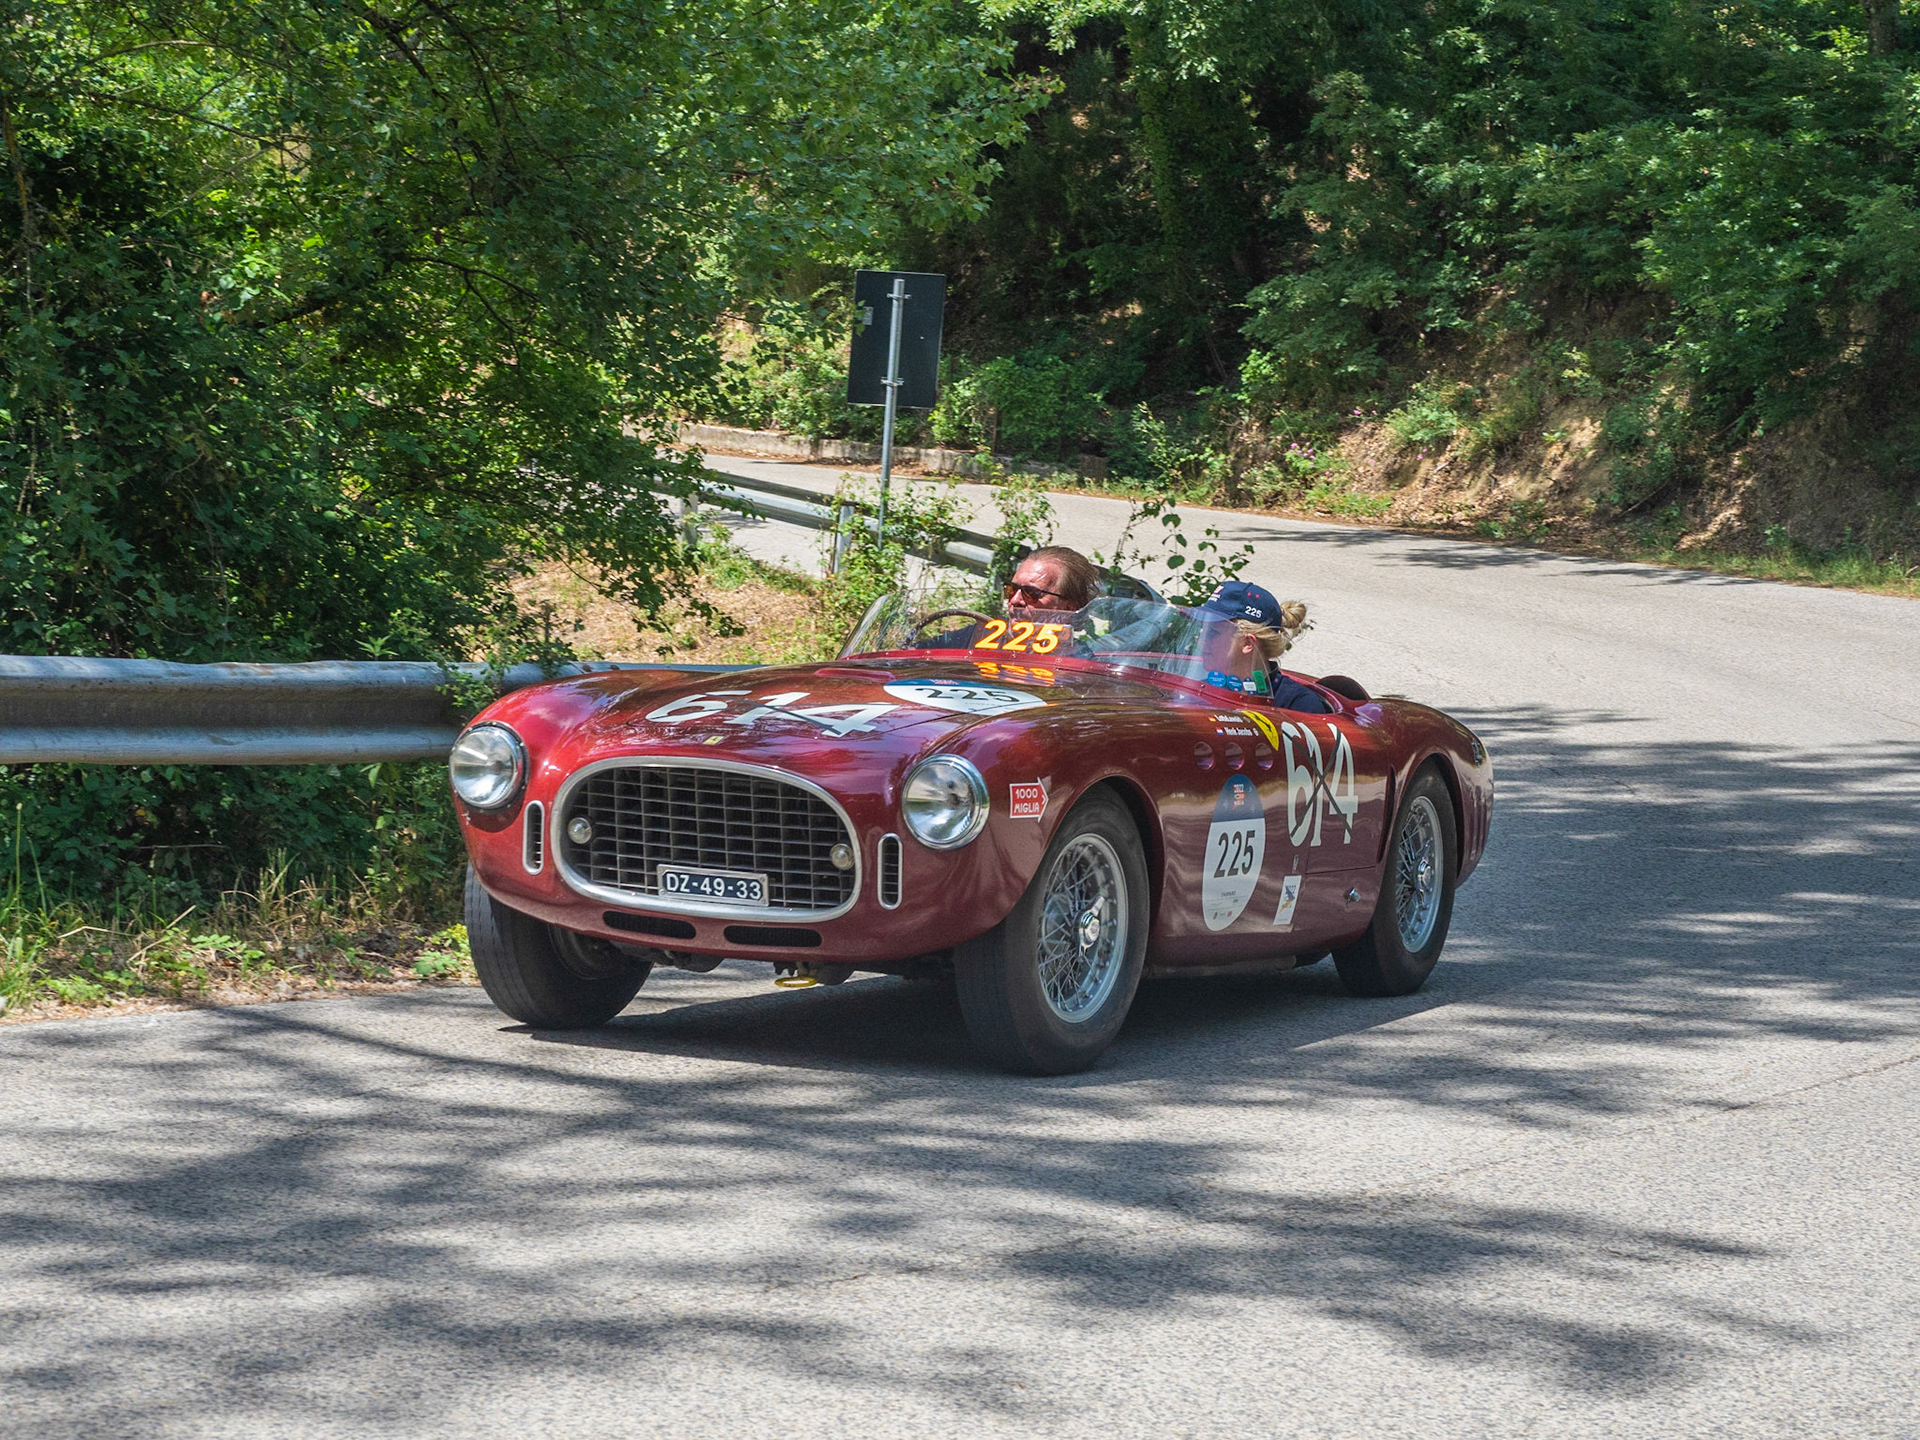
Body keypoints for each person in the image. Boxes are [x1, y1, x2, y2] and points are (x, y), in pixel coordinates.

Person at [1195, 581, 1330, 714]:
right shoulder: (1200, 692)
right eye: (1203, 631)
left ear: (1248, 643)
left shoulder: (1297, 705)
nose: (1201, 641)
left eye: (1212, 633)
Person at [1004, 546, 1102, 615]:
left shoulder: (1079, 645)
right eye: (1012, 589)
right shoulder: (991, 642)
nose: (1014, 600)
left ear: (1068, 608)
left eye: (1031, 593)